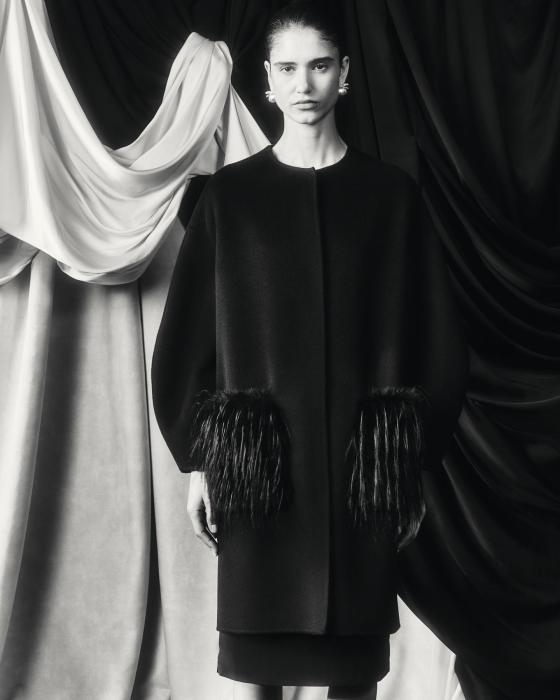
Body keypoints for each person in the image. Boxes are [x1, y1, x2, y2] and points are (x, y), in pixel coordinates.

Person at [151, 2, 469, 699]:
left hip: (358, 482)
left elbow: (439, 341)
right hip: (260, 481)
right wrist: (200, 462)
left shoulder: (391, 199)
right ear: (266, 81)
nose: (304, 84)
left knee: (353, 673)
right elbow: (185, 344)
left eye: (319, 66)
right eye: (288, 68)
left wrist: (407, 463)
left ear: (344, 75)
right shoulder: (230, 200)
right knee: (254, 667)